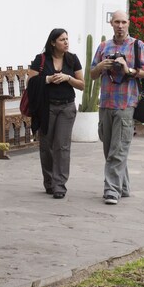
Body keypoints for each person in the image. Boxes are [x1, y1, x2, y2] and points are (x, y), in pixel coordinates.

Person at [90, 10, 144, 205]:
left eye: (123, 22)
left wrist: (129, 70)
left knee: (118, 149)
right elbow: (92, 74)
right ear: (111, 23)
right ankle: (123, 187)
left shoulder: (137, 46)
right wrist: (102, 66)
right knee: (109, 148)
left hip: (127, 103)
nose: (120, 25)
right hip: (106, 103)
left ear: (128, 24)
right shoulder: (103, 46)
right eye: (117, 22)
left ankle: (111, 190)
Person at [27, 29, 85, 199]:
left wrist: (68, 78)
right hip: (47, 107)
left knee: (62, 146)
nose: (66, 42)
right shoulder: (41, 59)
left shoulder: (72, 59)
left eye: (67, 39)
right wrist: (48, 79)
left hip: (67, 107)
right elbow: (31, 82)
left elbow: (82, 85)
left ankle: (59, 185)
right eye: (62, 39)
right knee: (46, 146)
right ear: (53, 42)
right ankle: (49, 182)